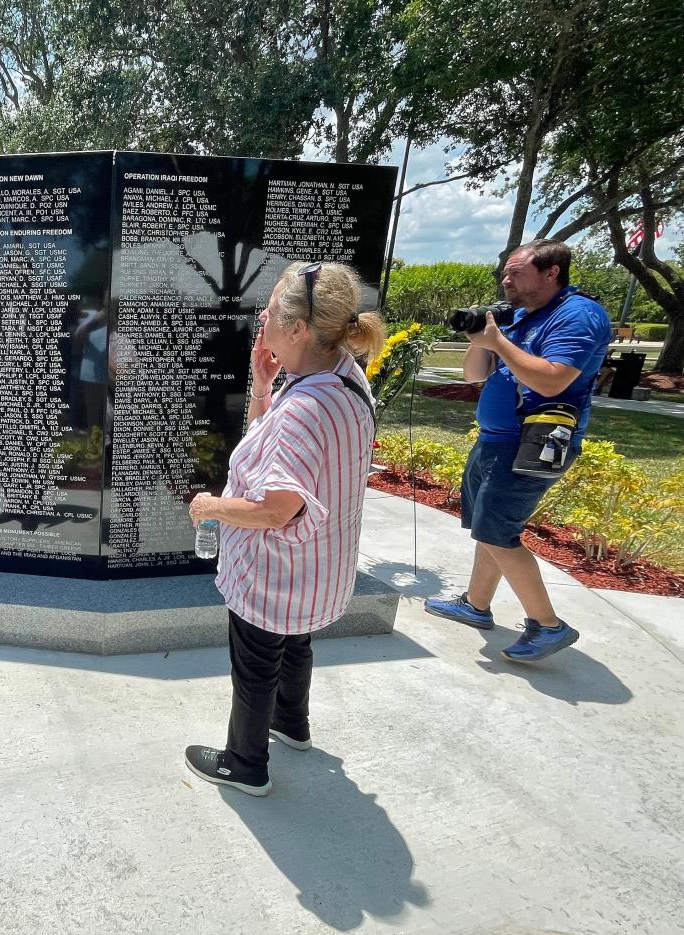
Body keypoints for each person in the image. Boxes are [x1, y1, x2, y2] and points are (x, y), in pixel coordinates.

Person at [183, 261, 382, 796]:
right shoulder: (344, 376)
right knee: (294, 643)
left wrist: (213, 506)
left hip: (275, 571)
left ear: (296, 329)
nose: (261, 321)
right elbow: (280, 449)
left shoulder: (306, 408)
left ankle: (244, 764)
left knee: (254, 665)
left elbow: (276, 510)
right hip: (319, 568)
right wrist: (262, 387)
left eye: (267, 312)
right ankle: (291, 724)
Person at [424, 239, 610, 661]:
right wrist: (481, 337)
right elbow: (474, 375)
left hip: (534, 443)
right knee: (487, 527)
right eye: (504, 272)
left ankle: (548, 625)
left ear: (551, 273)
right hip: (495, 439)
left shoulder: (577, 315)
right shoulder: (520, 315)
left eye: (516, 272)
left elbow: (552, 380)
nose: (506, 280)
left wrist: (499, 341)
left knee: (496, 531)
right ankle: (476, 604)